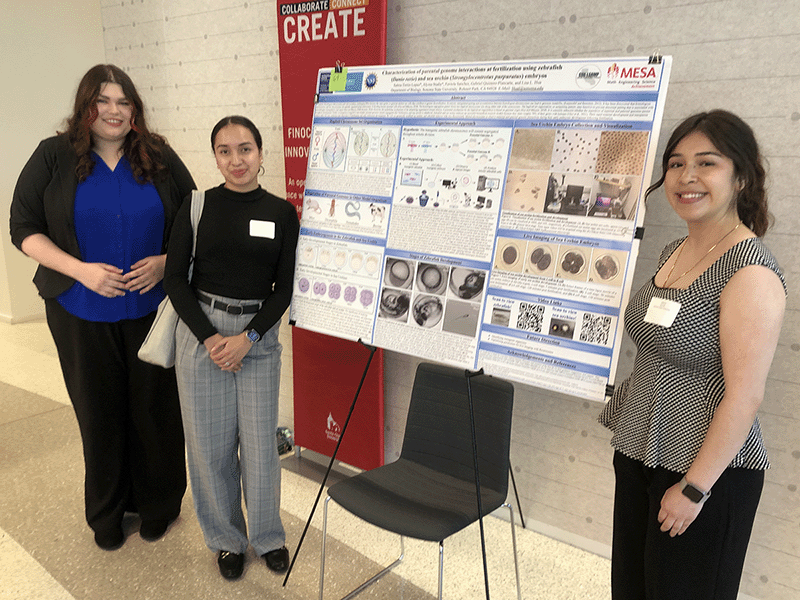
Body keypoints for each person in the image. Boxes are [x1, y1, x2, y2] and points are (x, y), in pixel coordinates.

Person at [599, 109, 786, 599]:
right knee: (633, 591)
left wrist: (694, 489)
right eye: (677, 164)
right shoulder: (673, 251)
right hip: (640, 452)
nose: (687, 177)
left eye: (707, 163)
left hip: (704, 474)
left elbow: (744, 398)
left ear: (741, 176)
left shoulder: (751, 275)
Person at [9, 64, 194, 550]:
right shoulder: (53, 157)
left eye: (123, 101)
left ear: (135, 109)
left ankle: (158, 504)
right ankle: (107, 512)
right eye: (103, 101)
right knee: (99, 412)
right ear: (85, 107)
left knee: (154, 411)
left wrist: (165, 261)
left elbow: (196, 222)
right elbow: (23, 228)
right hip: (78, 310)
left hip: (152, 311)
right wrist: (81, 270)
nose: (113, 111)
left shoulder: (158, 156)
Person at [163, 116, 299, 580]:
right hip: (203, 331)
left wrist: (249, 338)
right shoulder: (197, 206)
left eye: (245, 149)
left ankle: (267, 536)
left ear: (261, 154)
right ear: (215, 156)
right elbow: (175, 280)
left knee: (261, 446)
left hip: (257, 335)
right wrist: (212, 337)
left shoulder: (282, 213)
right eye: (225, 150)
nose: (235, 160)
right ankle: (227, 540)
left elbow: (284, 290)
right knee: (210, 447)